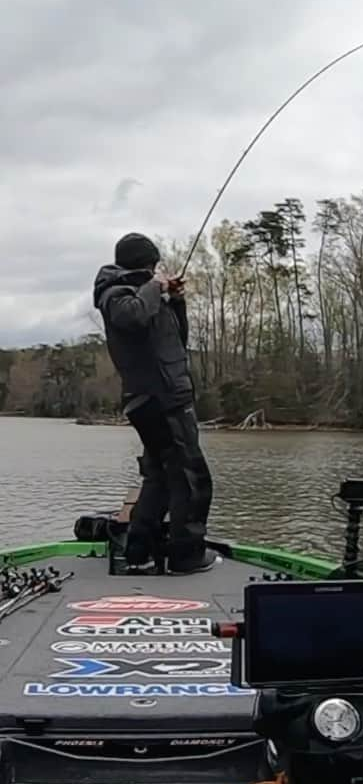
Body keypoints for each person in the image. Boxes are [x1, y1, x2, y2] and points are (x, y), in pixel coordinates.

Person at [93, 232, 215, 574]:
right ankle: (186, 556)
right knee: (192, 480)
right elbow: (131, 317)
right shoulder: (116, 294)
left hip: (166, 397)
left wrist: (175, 300)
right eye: (154, 266)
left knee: (161, 476)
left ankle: (139, 552)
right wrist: (156, 286)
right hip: (160, 400)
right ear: (147, 265)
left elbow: (177, 341)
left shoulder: (145, 298)